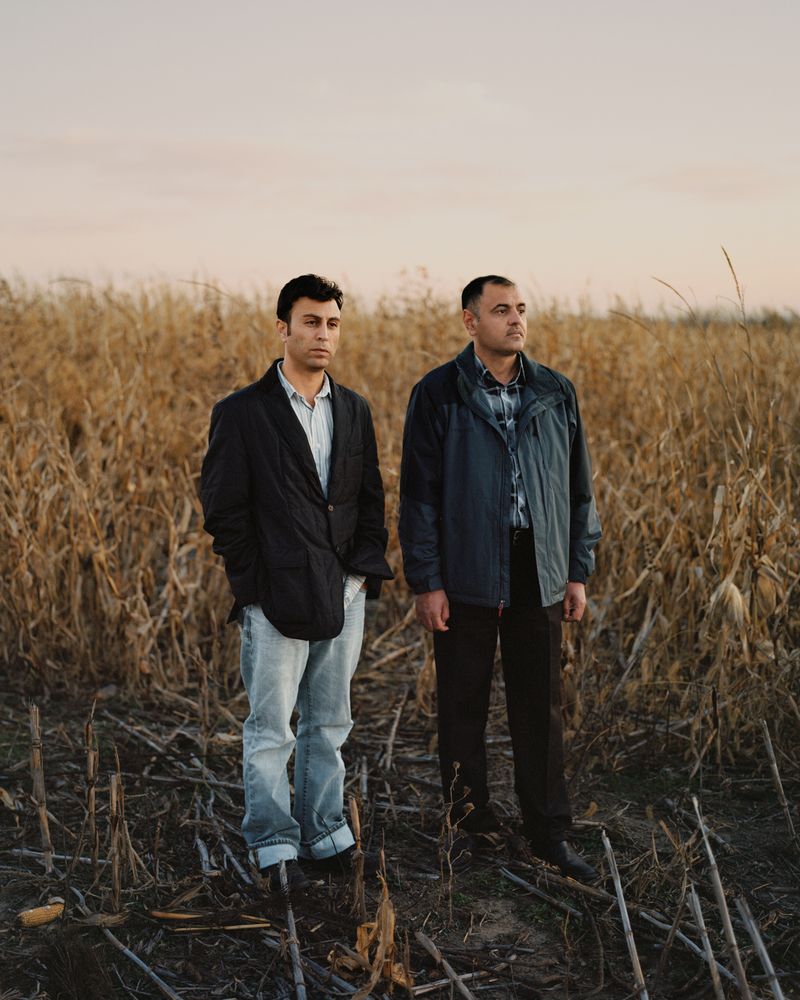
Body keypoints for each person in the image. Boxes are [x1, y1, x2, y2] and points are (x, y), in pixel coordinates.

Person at [398, 275, 601, 882]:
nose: (516, 320)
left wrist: (575, 569)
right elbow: (419, 496)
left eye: (520, 310)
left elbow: (577, 489)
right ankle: (469, 827)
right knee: (462, 705)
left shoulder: (555, 392)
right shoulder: (438, 393)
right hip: (465, 569)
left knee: (540, 707)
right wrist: (427, 580)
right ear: (470, 321)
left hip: (536, 564)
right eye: (501, 310)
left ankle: (548, 834)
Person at [200, 274, 392, 893]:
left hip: (344, 589)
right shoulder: (243, 412)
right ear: (283, 327)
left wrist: (360, 575)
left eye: (332, 323)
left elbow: (368, 499)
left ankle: (324, 829)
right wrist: (253, 586)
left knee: (330, 720)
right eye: (310, 321)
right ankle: (273, 838)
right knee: (271, 725)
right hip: (275, 593)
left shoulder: (353, 408)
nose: (323, 334)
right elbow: (224, 509)